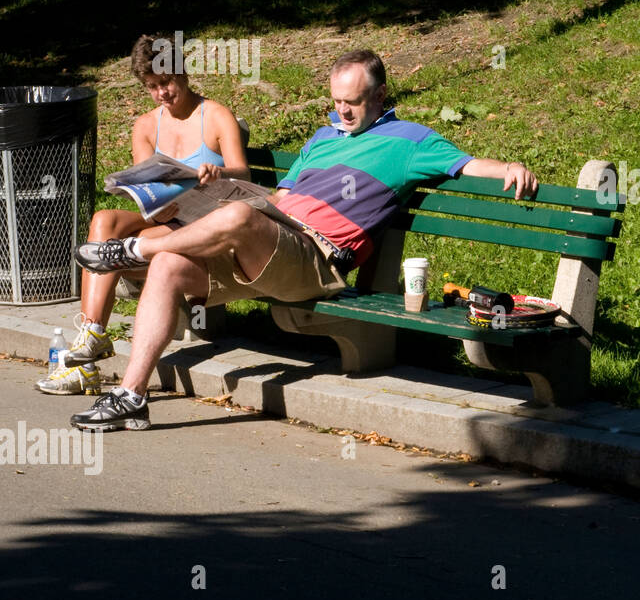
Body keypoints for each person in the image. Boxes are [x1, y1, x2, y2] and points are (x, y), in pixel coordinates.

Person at [68, 49, 538, 432]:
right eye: (336, 100)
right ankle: (131, 395)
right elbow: (281, 197)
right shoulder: (321, 138)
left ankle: (133, 251)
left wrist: (510, 168)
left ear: (381, 95)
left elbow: (467, 164)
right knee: (173, 263)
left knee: (220, 223)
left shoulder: (411, 141)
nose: (343, 110)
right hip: (267, 240)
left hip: (314, 258)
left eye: (353, 101)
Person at [37, 35, 249, 396]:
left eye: (166, 82)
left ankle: (86, 365)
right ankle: (93, 337)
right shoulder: (145, 127)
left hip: (206, 228)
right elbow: (146, 189)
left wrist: (220, 174)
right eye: (152, 87)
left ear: (182, 72)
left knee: (117, 248)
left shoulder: (214, 115)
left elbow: (243, 174)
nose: (161, 93)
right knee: (104, 221)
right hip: (165, 222)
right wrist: (152, 203)